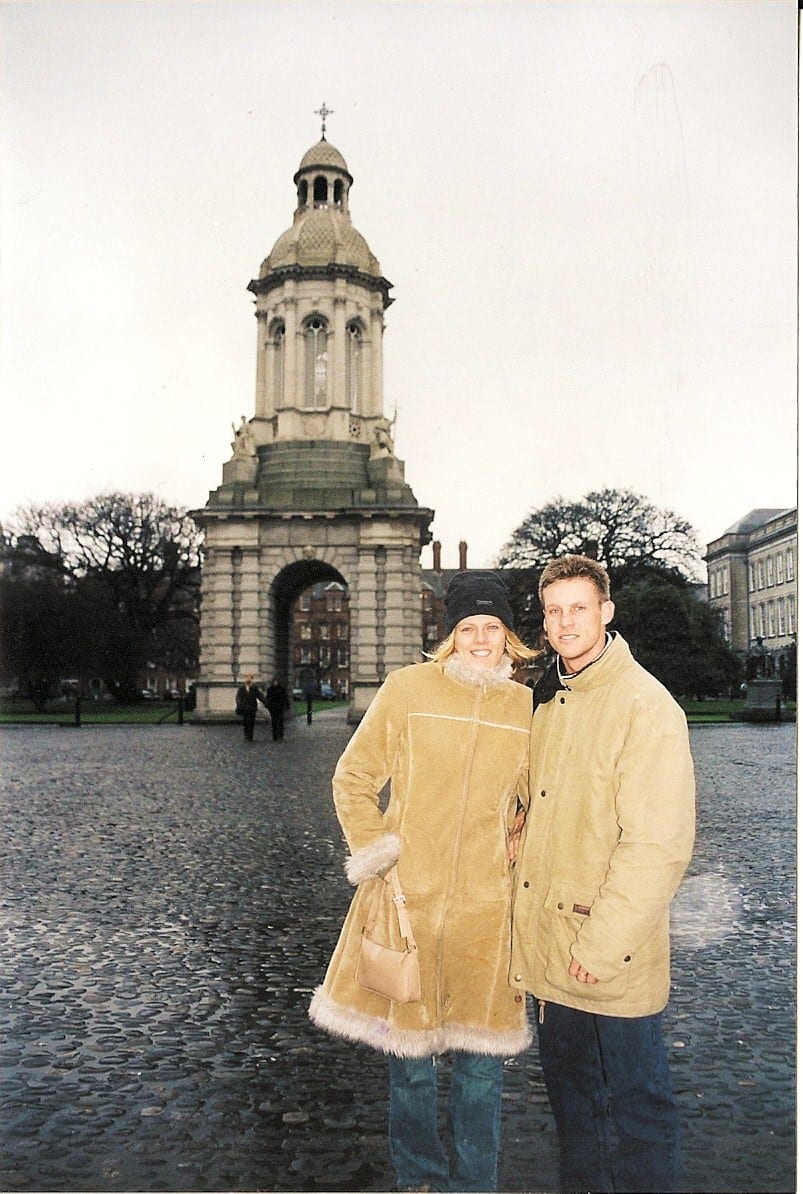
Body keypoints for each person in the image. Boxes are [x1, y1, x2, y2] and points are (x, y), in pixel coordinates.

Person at [310, 572, 537, 1192]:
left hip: (488, 918)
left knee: (482, 1071)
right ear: (450, 634)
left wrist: (523, 829)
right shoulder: (407, 689)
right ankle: (419, 1179)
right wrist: (380, 855)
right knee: (409, 1068)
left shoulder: (527, 707)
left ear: (509, 636)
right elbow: (353, 777)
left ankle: (474, 1185)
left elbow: (533, 796)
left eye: (492, 628)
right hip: (408, 904)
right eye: (468, 628)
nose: (481, 640)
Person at [510, 554, 696, 1194]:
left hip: (606, 956)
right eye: (554, 610)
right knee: (576, 1114)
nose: (565, 622)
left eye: (578, 608)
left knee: (640, 1112)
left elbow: (659, 845)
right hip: (554, 959)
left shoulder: (646, 706)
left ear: (606, 613)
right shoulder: (553, 702)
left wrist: (601, 945)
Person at [235, 674, 265, 742]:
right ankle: (246, 736)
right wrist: (239, 703)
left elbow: (260, 696)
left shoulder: (254, 688)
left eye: (250, 679)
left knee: (251, 722)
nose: (248, 681)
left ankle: (250, 736)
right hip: (244, 708)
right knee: (245, 723)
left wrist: (266, 703)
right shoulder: (242, 688)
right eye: (247, 679)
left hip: (252, 708)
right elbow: (238, 697)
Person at [264, 676, 290, 741]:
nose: (275, 683)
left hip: (280, 707)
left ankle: (281, 735)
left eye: (275, 681)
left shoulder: (281, 689)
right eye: (274, 681)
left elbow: (285, 697)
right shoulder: (270, 689)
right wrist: (267, 705)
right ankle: (275, 736)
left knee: (280, 721)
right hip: (273, 708)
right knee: (274, 722)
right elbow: (267, 698)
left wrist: (287, 705)